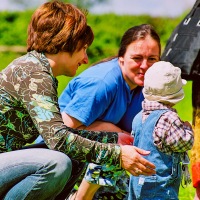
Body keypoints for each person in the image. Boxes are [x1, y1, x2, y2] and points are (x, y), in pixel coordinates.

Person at [0, 1, 157, 200]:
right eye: (83, 48)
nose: (85, 59)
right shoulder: (34, 75)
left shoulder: (37, 70)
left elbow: (64, 137)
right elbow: (58, 140)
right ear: (68, 43)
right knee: (56, 164)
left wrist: (115, 140)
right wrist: (117, 154)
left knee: (75, 157)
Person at [58, 24, 161, 199]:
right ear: (121, 59)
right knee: (117, 143)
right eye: (137, 58)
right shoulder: (102, 83)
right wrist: (113, 131)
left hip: (98, 160)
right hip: (59, 158)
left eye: (152, 59)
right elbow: (60, 130)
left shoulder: (144, 86)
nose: (145, 66)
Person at [128, 61, 194, 200]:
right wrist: (187, 129)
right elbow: (184, 143)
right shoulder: (169, 118)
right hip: (160, 187)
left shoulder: (139, 117)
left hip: (137, 183)